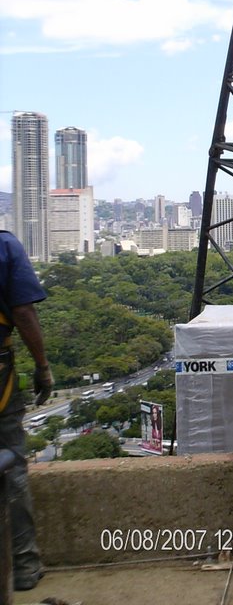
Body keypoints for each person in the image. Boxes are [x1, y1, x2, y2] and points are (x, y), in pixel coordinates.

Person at [0, 231, 53, 591]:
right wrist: (42, 366)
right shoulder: (5, 246)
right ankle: (24, 565)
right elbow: (23, 311)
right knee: (12, 466)